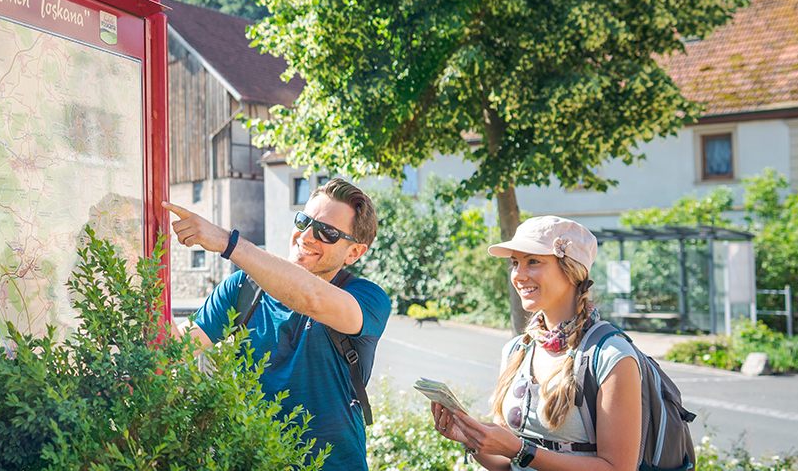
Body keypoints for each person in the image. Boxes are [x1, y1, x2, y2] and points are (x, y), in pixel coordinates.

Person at [164, 178, 391, 470]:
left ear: (354, 252)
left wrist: (227, 242)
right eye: (303, 221)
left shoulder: (368, 299)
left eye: (328, 232)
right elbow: (175, 349)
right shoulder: (243, 288)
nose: (306, 236)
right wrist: (138, 265)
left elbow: (312, 299)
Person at [431, 216, 642, 471]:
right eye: (515, 263)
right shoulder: (516, 350)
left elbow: (618, 468)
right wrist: (471, 440)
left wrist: (521, 450)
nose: (518, 275)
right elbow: (506, 464)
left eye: (533, 261)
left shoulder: (611, 355)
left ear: (571, 270)